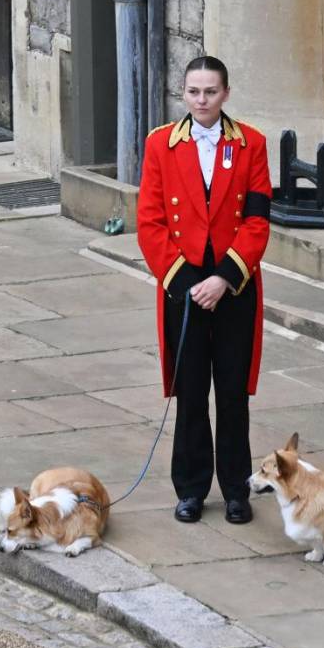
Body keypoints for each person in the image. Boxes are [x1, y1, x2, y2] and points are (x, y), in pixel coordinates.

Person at [136, 56, 273, 525]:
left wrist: (225, 279)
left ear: (226, 94)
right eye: (194, 92)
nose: (201, 101)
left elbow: (257, 221)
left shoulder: (251, 143)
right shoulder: (160, 144)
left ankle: (237, 489)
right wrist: (187, 282)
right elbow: (150, 223)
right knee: (191, 392)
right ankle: (191, 489)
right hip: (184, 288)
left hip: (233, 287)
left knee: (232, 393)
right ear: (184, 92)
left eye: (210, 92)